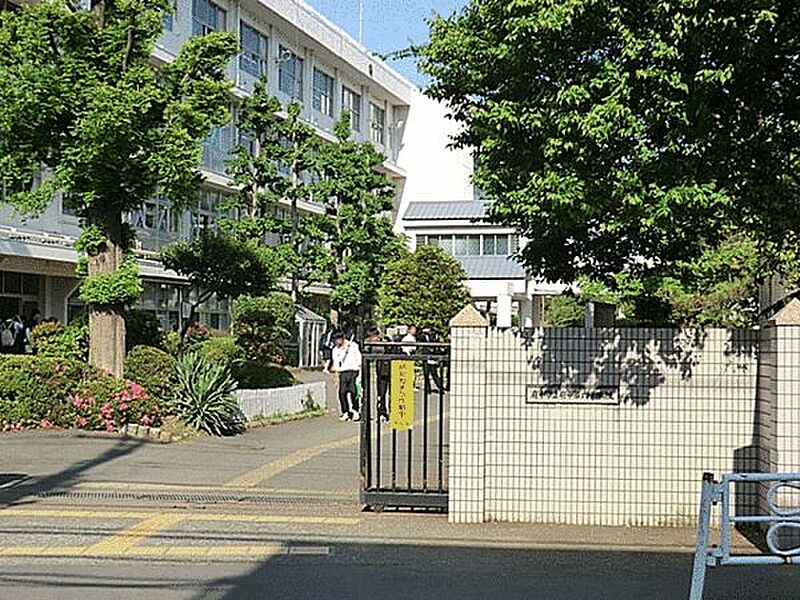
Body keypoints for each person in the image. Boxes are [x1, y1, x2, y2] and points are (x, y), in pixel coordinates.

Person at [331, 329, 362, 422]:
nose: (337, 341)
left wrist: (360, 373)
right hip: (343, 372)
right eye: (335, 339)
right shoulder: (335, 350)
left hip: (354, 371)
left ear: (342, 338)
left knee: (354, 392)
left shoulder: (353, 346)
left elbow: (359, 359)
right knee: (342, 393)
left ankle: (355, 410)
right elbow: (336, 364)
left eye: (338, 339)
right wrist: (336, 378)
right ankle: (345, 412)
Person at [365, 326, 390, 422]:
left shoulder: (386, 341)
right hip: (380, 370)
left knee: (392, 393)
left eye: (372, 337)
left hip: (389, 367)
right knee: (381, 393)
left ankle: (391, 412)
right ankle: (382, 412)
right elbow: (368, 355)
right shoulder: (369, 344)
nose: (371, 339)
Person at [419, 326, 443, 392]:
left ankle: (440, 387)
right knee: (426, 374)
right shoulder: (423, 336)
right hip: (425, 356)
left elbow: (435, 344)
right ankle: (427, 389)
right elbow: (420, 337)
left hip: (432, 357)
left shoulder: (435, 336)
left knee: (434, 374)